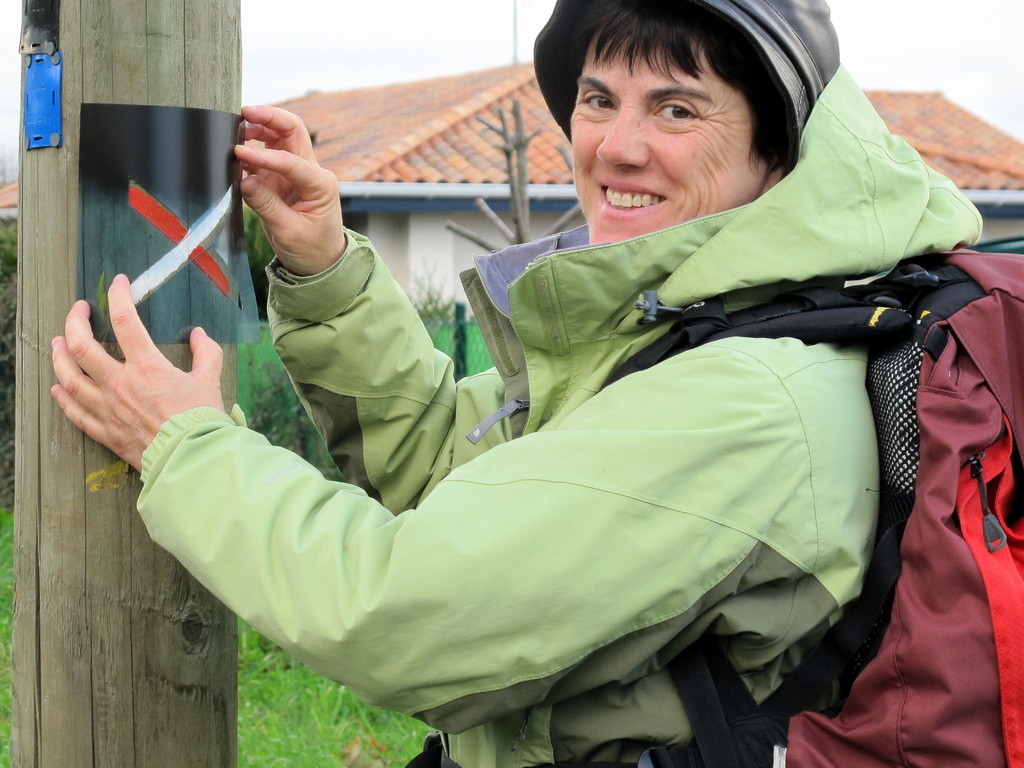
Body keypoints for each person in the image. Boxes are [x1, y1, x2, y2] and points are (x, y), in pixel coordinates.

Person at [50, 1, 983, 766]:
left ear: (777, 154)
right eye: (596, 97)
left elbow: (404, 612)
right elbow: (451, 475)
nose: (615, 147)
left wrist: (186, 444)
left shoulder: (747, 400)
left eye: (677, 109)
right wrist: (329, 272)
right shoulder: (688, 328)